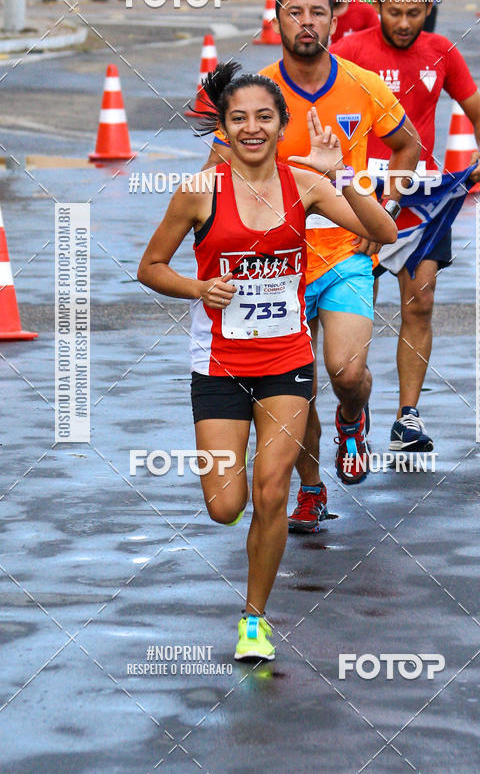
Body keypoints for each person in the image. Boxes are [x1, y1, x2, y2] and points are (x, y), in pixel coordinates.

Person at [138, 62, 397, 661]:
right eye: (238, 118)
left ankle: (254, 619)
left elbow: (382, 229)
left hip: (285, 362)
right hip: (220, 366)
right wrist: (197, 290)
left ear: (282, 125)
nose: (252, 128)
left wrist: (345, 177)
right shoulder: (200, 192)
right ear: (223, 129)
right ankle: (244, 480)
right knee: (225, 506)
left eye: (264, 117)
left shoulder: (306, 182)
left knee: (272, 490)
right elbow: (151, 267)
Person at [203, 0, 420, 535]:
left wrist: (387, 209)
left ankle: (355, 417)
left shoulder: (362, 84)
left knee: (346, 372)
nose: (306, 22)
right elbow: (215, 169)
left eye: (317, 12)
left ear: (335, 20)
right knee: (292, 384)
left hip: (345, 251)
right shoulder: (257, 94)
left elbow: (407, 146)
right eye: (293, 12)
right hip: (274, 268)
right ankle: (312, 489)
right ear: (276, 21)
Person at [334, 0, 480, 453]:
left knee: (420, 304)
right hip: (362, 199)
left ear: (429, 9)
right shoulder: (351, 51)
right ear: (378, 7)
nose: (404, 22)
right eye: (394, 11)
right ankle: (353, 404)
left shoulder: (442, 51)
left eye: (414, 12)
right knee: (354, 309)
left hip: (422, 201)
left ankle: (407, 417)